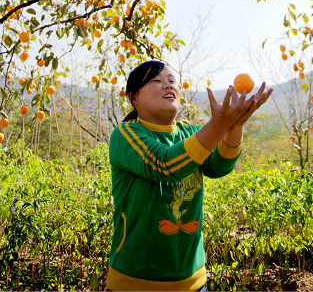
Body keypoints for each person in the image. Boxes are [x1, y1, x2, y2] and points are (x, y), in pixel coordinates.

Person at [106, 60, 272, 291]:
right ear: (134, 98)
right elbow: (163, 164)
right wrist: (217, 125)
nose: (168, 85)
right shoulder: (125, 134)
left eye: (172, 81)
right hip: (134, 281)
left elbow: (219, 166)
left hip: (193, 282)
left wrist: (234, 126)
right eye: (156, 81)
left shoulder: (190, 133)